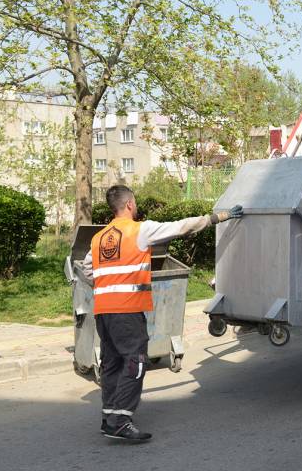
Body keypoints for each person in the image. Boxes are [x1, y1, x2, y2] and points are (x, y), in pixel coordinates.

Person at [80, 185, 243, 442]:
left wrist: (110, 284)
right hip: (128, 309)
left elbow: (88, 270)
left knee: (112, 363)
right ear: (130, 204)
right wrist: (216, 218)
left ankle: (109, 417)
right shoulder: (139, 230)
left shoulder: (99, 238)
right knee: (136, 361)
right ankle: (121, 421)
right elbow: (181, 227)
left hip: (103, 311)